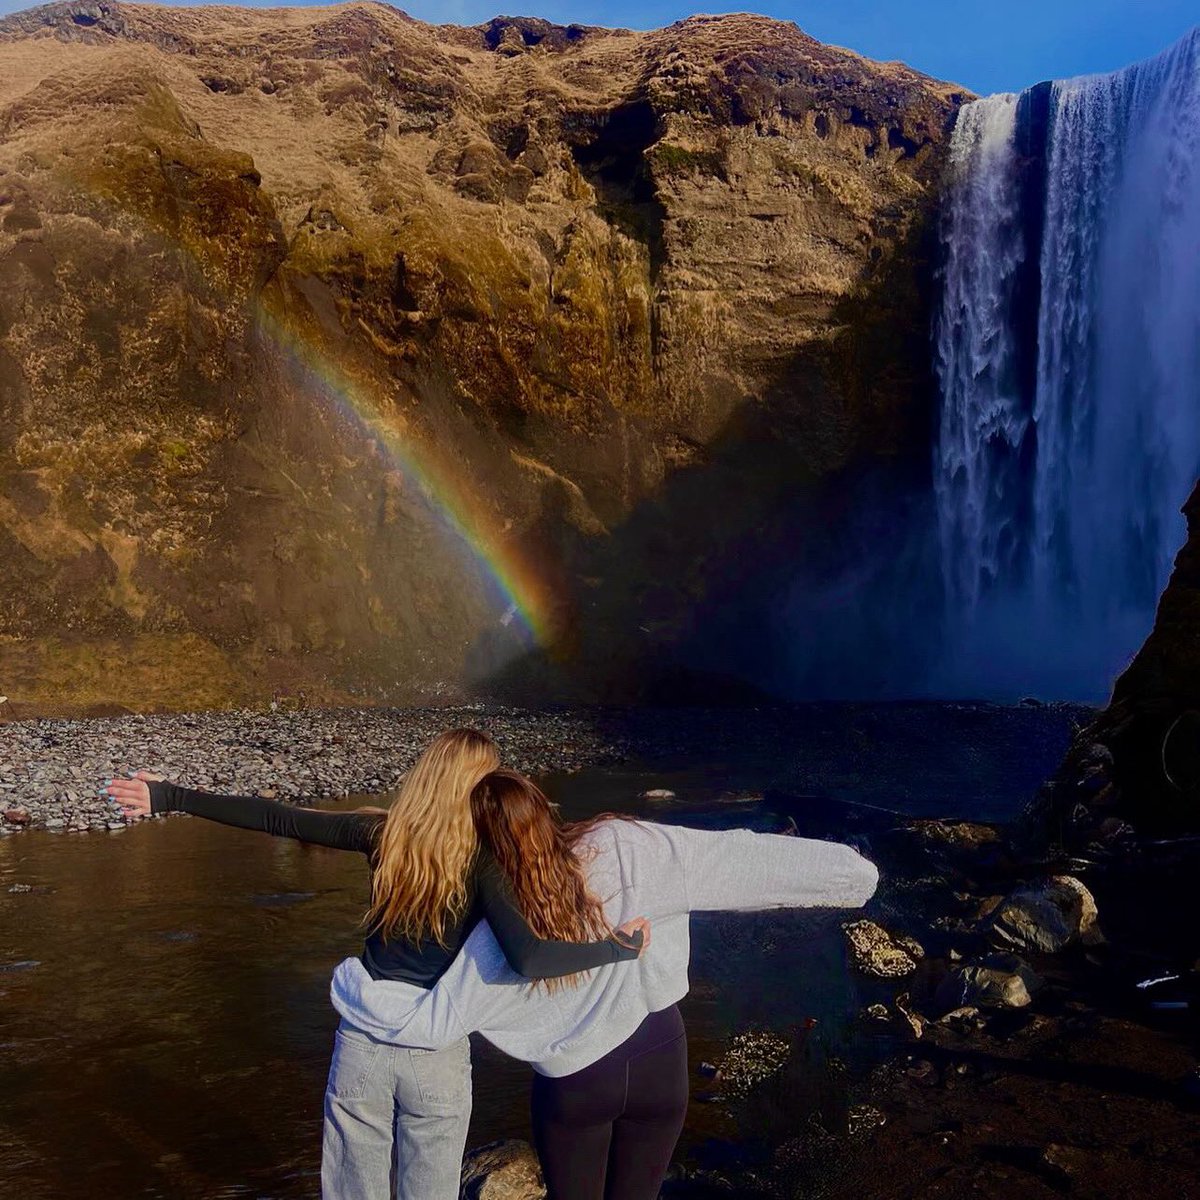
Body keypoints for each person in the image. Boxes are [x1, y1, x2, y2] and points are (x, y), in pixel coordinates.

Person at [102, 730, 649, 1200]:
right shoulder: (485, 862)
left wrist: (167, 795)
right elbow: (530, 959)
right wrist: (616, 949)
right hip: (434, 1055)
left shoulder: (382, 836)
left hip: (360, 1045)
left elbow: (279, 819)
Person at [331, 768, 880, 1200]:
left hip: (574, 1089)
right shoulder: (625, 844)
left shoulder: (494, 929)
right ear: (541, 809)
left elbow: (435, 1019)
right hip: (659, 1063)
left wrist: (360, 984)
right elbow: (735, 857)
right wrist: (853, 876)